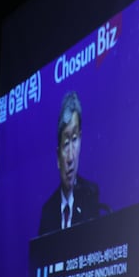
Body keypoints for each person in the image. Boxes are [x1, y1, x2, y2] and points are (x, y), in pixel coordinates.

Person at [38, 91, 104, 235]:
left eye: (74, 139)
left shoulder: (90, 194)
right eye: (66, 143)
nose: (70, 157)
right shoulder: (48, 212)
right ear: (58, 157)